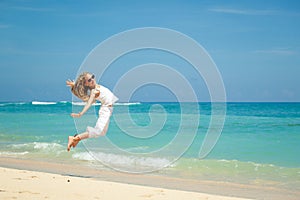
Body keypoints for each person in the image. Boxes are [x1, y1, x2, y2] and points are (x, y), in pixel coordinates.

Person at [66, 72, 118, 151]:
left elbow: (82, 85)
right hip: (105, 110)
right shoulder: (94, 91)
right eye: (89, 80)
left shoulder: (98, 87)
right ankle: (74, 138)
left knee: (102, 133)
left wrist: (75, 84)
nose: (92, 80)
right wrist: (81, 113)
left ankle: (76, 138)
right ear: (86, 84)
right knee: (98, 131)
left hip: (108, 110)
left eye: (92, 77)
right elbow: (89, 103)